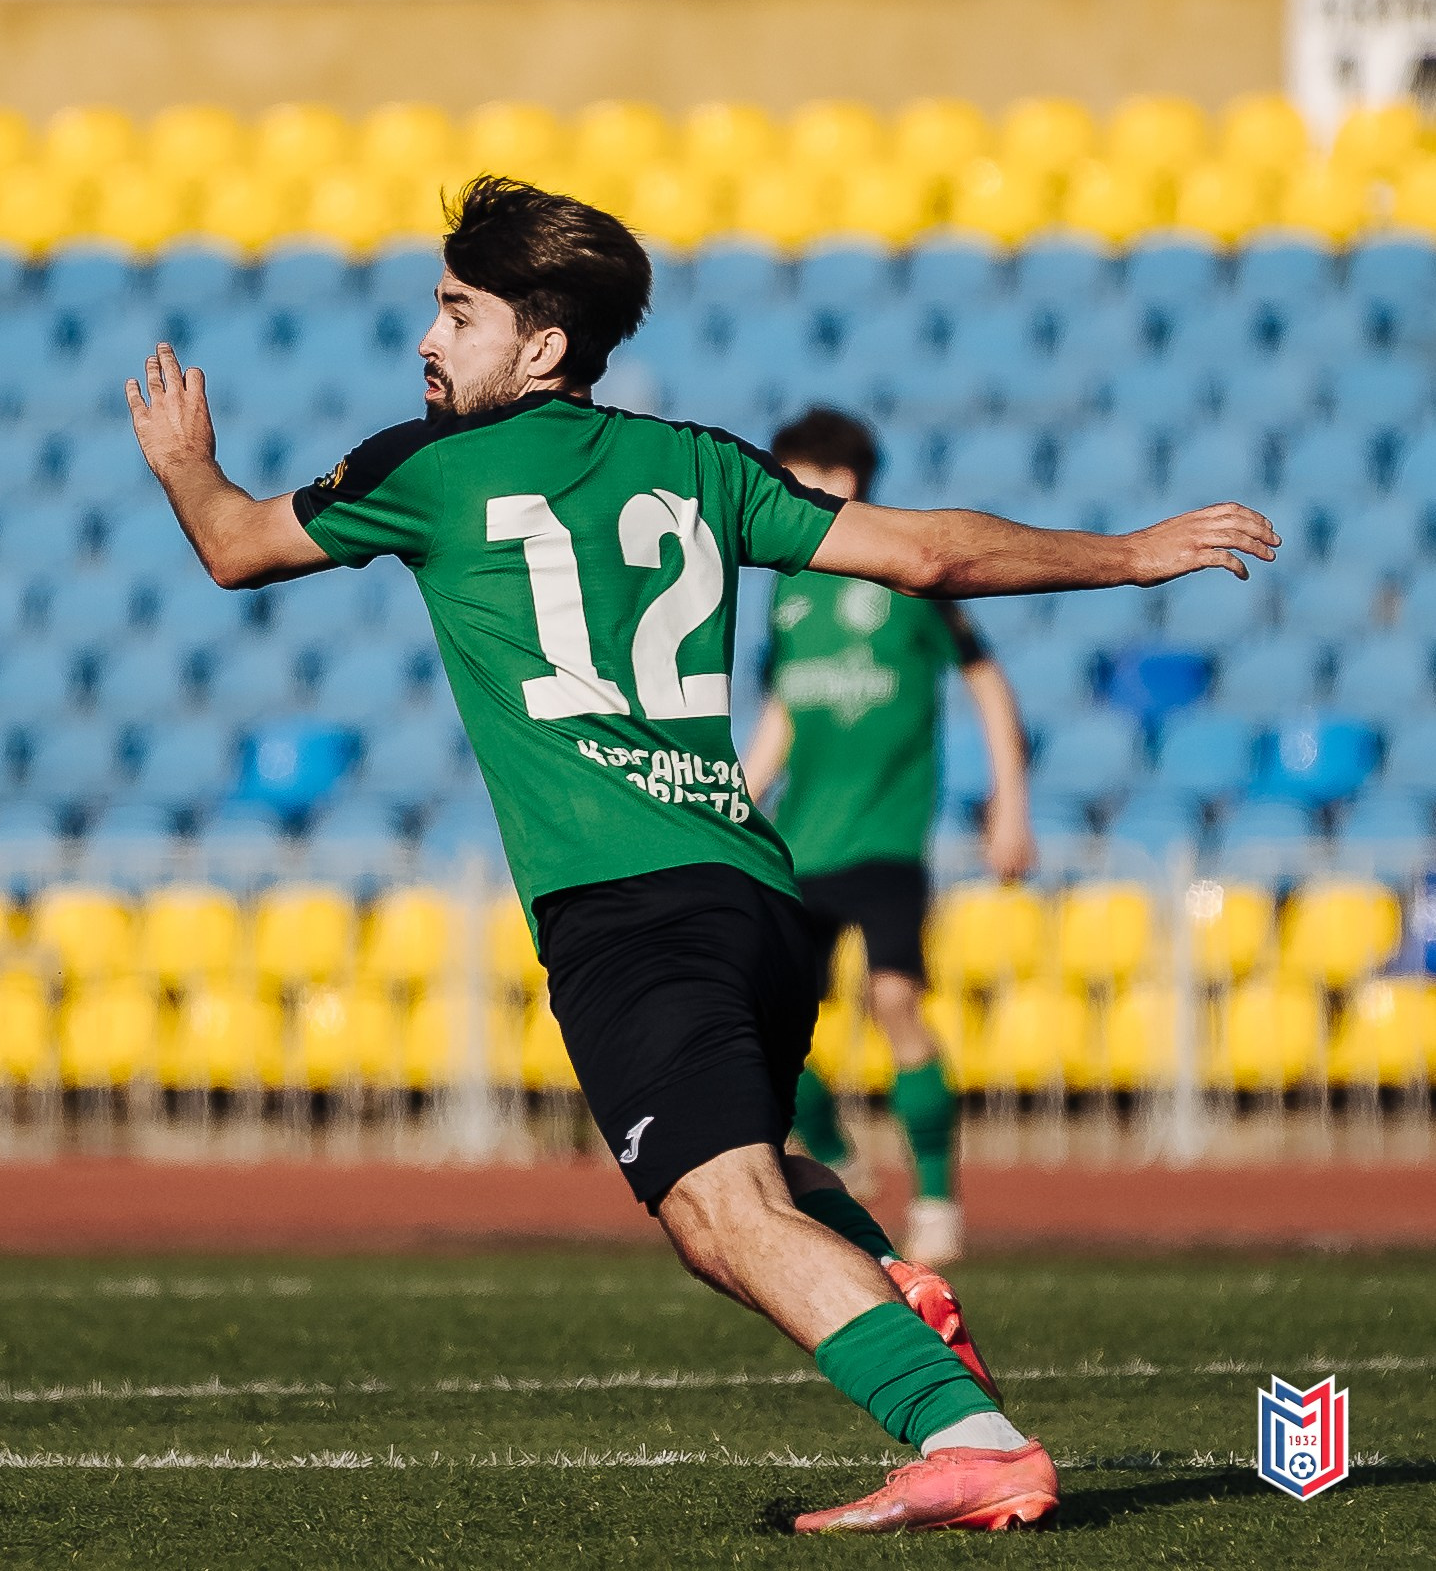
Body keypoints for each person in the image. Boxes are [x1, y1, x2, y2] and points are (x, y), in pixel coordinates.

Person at [125, 174, 1279, 1535]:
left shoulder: (420, 472)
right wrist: (1129, 553)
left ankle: (968, 1437)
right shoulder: (704, 463)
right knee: (754, 1181)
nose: (425, 342)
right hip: (755, 900)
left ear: (541, 346)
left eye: (455, 313)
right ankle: (885, 1284)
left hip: (627, 915)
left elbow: (234, 545)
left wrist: (188, 466)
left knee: (717, 1212)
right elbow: (923, 556)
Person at [741, 406, 1034, 1270]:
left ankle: (937, 1197)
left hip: (887, 842)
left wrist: (1009, 800)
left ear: (849, 481)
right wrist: (733, 799)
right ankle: (831, 1151)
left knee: (895, 1001)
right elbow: (783, 712)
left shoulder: (910, 576)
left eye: (805, 476)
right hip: (801, 841)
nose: (790, 491)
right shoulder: (791, 590)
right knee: (766, 1019)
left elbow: (985, 681)